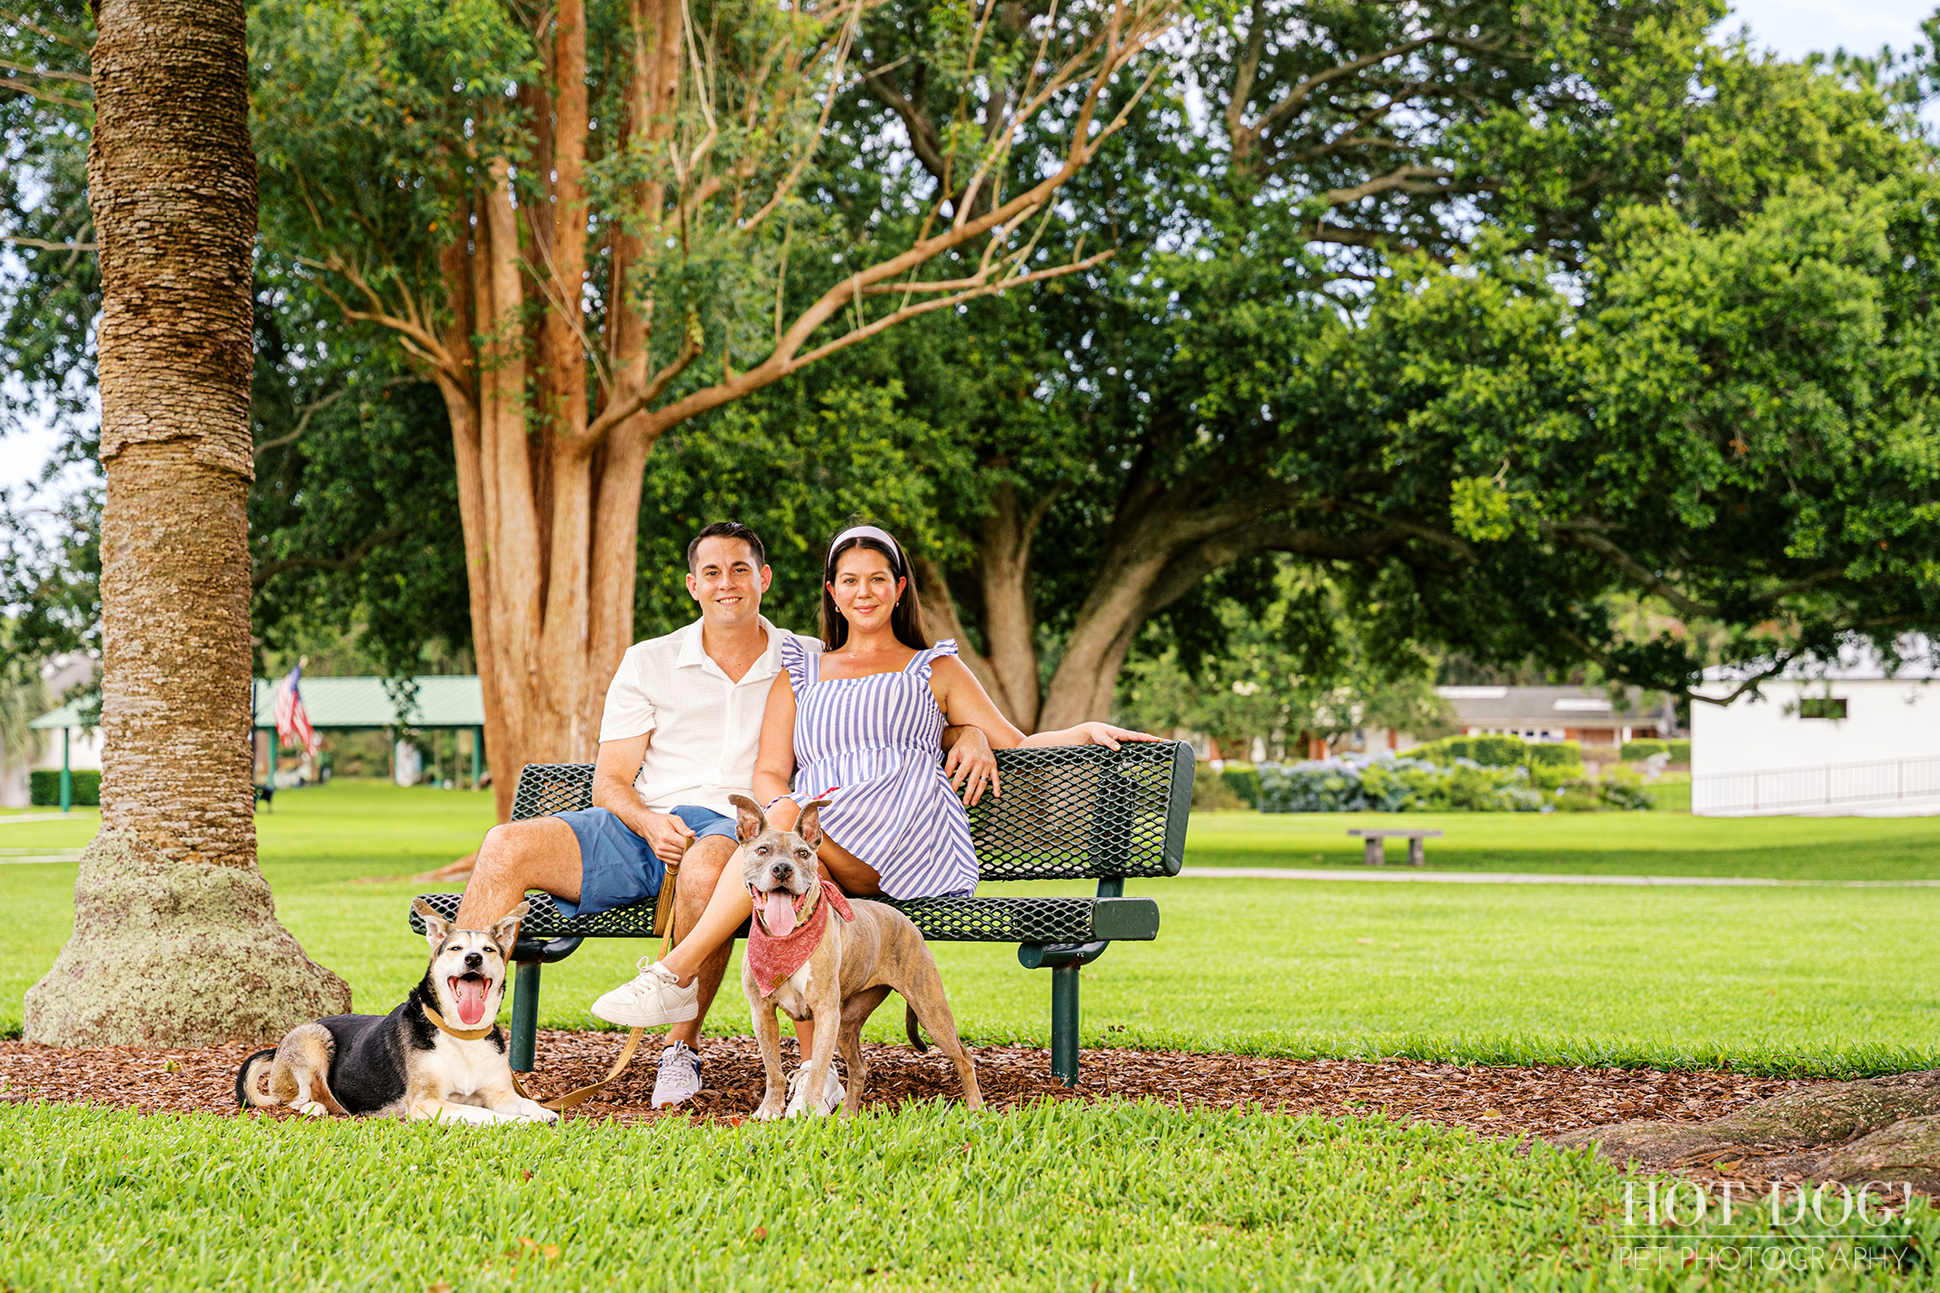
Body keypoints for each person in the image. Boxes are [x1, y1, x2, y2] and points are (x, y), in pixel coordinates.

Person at [590, 522, 1154, 1115]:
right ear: (832, 591)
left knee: (784, 849)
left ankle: (674, 973)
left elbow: (1012, 741)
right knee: (786, 847)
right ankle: (810, 1071)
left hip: (901, 833)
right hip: (825, 834)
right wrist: (782, 805)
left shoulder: (934, 669)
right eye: (850, 580)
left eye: (878, 579)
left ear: (899, 588)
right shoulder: (801, 673)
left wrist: (1071, 732)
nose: (864, 592)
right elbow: (769, 773)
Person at [451, 521, 998, 1109]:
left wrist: (969, 731)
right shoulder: (650, 660)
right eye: (712, 572)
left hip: (741, 829)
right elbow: (609, 782)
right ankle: (448, 1044)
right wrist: (648, 822)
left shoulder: (809, 659)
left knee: (713, 864)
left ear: (764, 579)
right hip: (649, 821)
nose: (727, 584)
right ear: (692, 585)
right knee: (504, 843)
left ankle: (678, 1047)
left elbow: (894, 703)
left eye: (741, 569)